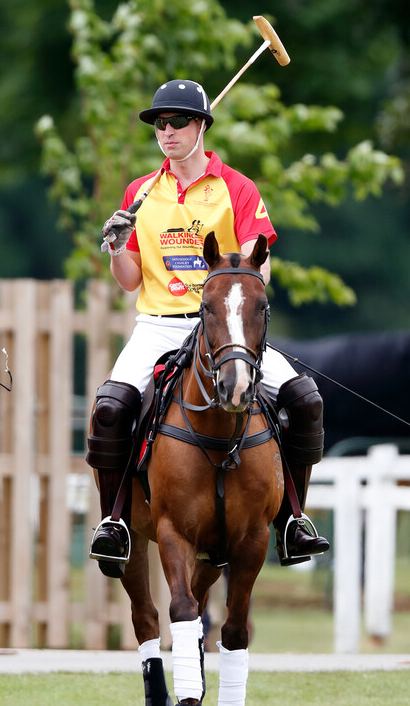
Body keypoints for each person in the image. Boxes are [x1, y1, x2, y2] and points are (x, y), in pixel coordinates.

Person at [86, 79, 330, 579]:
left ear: (201, 126)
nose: (167, 132)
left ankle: (294, 518)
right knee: (110, 409)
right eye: (160, 123)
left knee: (304, 400)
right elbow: (130, 280)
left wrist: (231, 302)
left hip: (224, 328)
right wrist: (115, 247)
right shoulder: (140, 192)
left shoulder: (237, 189)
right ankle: (115, 520)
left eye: (178, 122)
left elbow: (260, 267)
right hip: (157, 325)